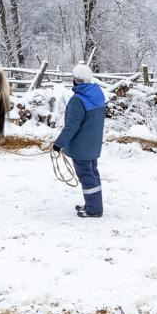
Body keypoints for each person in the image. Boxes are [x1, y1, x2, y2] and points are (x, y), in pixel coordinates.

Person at [52, 63, 107, 218]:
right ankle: (93, 205)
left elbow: (71, 126)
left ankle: (94, 210)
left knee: (87, 177)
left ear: (75, 80)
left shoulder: (78, 100)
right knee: (92, 175)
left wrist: (58, 144)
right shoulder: (97, 95)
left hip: (82, 147)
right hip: (93, 145)